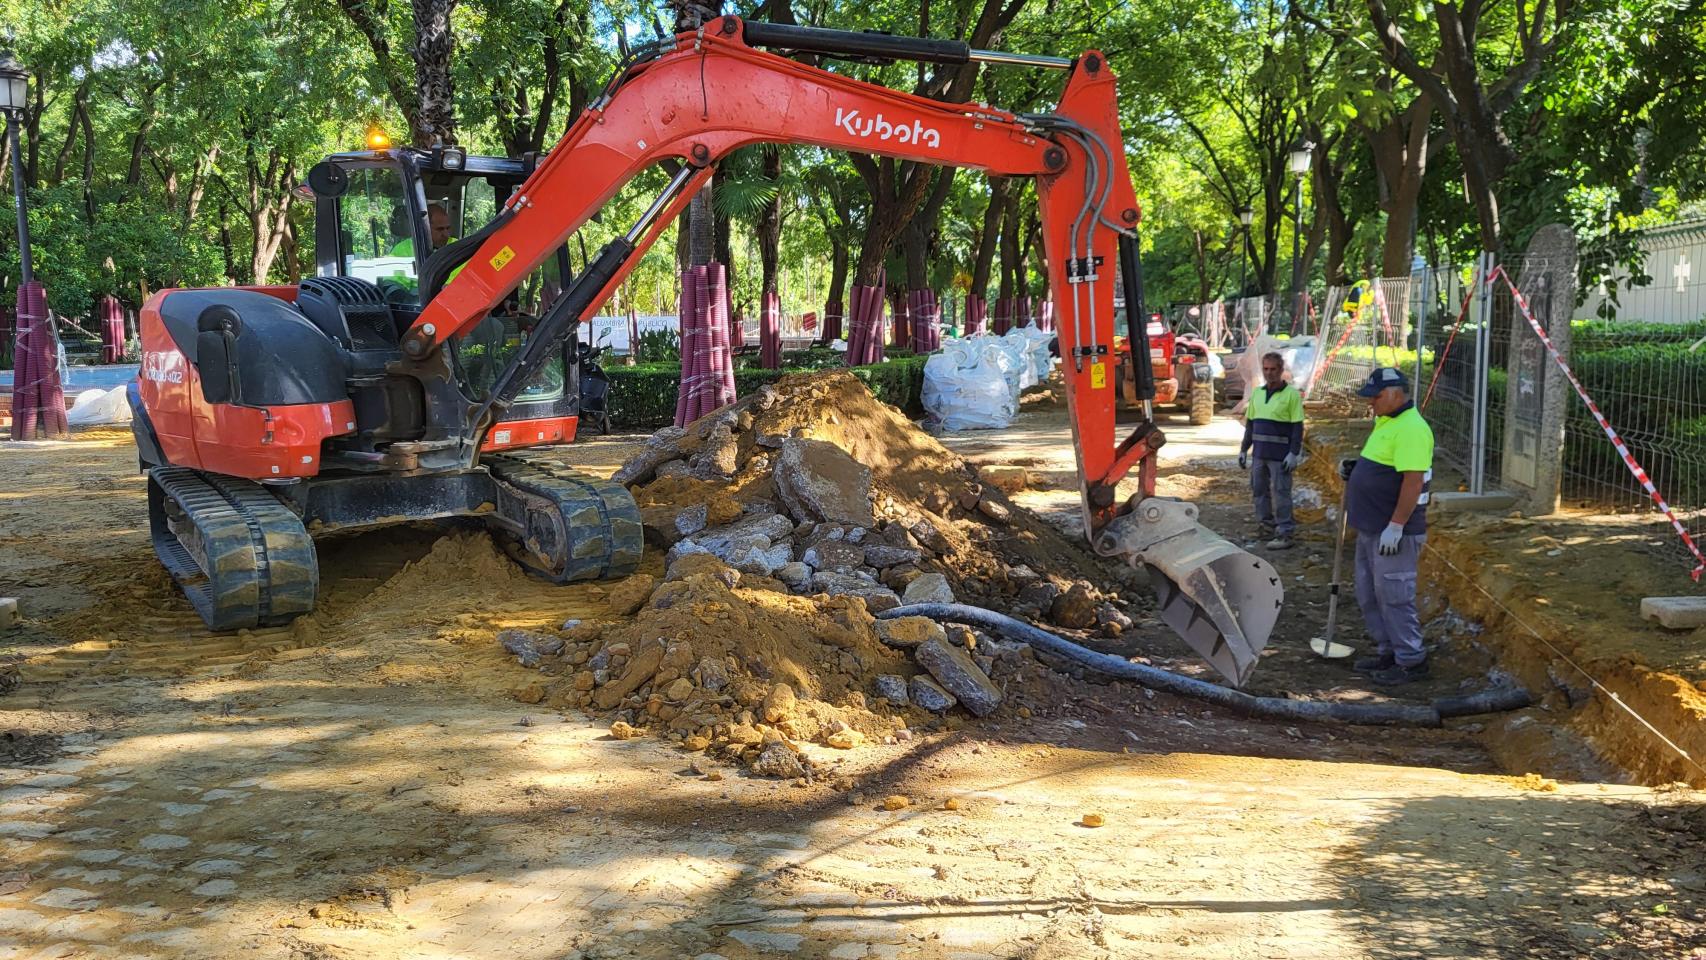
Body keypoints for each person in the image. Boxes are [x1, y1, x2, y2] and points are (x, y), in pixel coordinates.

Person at [1339, 366, 1435, 686]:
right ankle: (1388, 651)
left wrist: (1396, 525)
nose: (1371, 403)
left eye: (1376, 397)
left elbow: (1412, 481)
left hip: (1394, 533)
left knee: (1394, 595)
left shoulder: (1411, 428)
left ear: (1395, 394)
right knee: (1370, 594)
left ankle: (1410, 659)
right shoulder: (1387, 421)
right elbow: (1383, 466)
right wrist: (1357, 468)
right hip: (1371, 528)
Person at [1239, 351, 1304, 549]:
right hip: (1259, 454)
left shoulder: (1292, 395)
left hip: (1280, 457)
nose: (1269, 373)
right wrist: (1243, 450)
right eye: (1266, 369)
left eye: (1273, 369)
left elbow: (1297, 428)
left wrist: (1294, 453)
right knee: (1259, 491)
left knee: (1281, 493)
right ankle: (1266, 528)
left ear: (1281, 370)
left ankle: (1285, 533)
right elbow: (1251, 425)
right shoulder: (1258, 393)